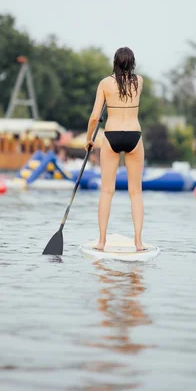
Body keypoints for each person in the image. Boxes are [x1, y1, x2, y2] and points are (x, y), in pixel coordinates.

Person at [85, 47, 145, 251]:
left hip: (111, 136)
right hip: (134, 136)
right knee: (135, 192)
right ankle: (138, 242)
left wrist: (88, 140)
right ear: (133, 62)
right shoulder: (140, 82)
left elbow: (95, 117)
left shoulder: (104, 83)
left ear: (115, 62)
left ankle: (101, 242)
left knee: (106, 191)